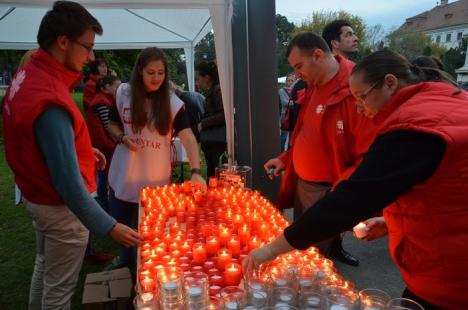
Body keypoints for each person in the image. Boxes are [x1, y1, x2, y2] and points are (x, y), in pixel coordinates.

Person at [245, 50, 468, 310]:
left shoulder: (416, 125)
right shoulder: (447, 102)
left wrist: (271, 250)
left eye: (361, 98)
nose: (360, 110)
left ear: (390, 82)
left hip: (449, 277)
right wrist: (393, 222)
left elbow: (350, 201)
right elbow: (449, 188)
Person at [2, 2, 141, 308]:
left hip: (36, 196)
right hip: (59, 208)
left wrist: (81, 150)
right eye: (87, 47)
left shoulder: (28, 75)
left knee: (44, 267)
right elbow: (69, 187)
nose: (91, 57)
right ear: (63, 41)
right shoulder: (50, 98)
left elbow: (36, 138)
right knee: (59, 290)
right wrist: (110, 226)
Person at [264, 32, 376, 266]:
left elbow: (370, 154)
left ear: (317, 55)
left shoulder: (356, 87)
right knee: (303, 246)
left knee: (311, 258)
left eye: (299, 66)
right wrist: (286, 158)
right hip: (303, 184)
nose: (297, 74)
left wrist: (340, 191)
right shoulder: (313, 85)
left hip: (329, 190)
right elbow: (306, 132)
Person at [106, 47, 207, 270]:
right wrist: (122, 138)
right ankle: (125, 265)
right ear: (140, 71)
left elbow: (188, 137)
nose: (156, 78)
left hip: (155, 184)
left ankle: (145, 276)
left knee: (150, 236)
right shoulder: (124, 92)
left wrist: (196, 172)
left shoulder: (172, 103)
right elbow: (111, 124)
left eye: (161, 73)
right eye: (151, 72)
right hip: (123, 177)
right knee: (124, 232)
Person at [320, 20, 362, 266]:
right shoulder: (321, 79)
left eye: (354, 33)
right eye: (349, 34)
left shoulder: (357, 76)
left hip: (348, 155)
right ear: (334, 43)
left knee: (343, 207)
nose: (355, 38)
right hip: (326, 159)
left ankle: (336, 246)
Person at [195, 61, 227, 177]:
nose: (197, 82)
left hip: (216, 143)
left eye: (198, 79)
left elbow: (224, 115)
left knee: (215, 174)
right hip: (212, 142)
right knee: (212, 173)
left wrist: (203, 123)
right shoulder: (214, 90)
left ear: (207, 77)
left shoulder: (217, 90)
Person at [278, 73, 296, 151]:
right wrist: (295, 103)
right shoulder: (282, 90)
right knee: (283, 137)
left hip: (293, 116)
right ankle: (281, 152)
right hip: (285, 117)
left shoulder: (295, 90)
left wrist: (294, 103)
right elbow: (285, 103)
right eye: (288, 80)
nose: (290, 82)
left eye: (292, 80)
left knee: (292, 137)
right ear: (286, 81)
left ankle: (288, 153)